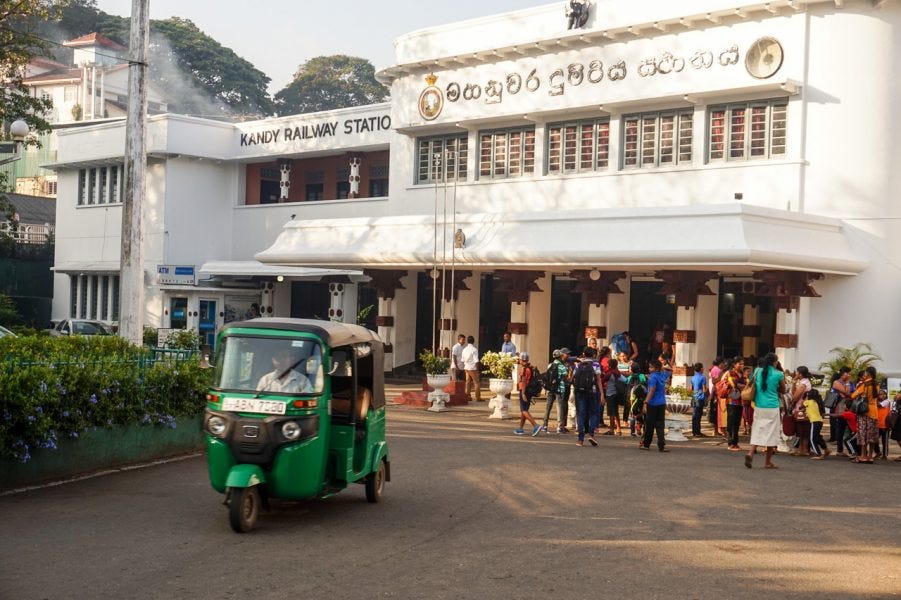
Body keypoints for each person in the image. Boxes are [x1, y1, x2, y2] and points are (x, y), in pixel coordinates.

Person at [745, 352, 784, 469]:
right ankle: (767, 462)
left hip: (759, 405)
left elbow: (749, 383)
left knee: (757, 429)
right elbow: (783, 389)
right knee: (772, 433)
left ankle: (750, 453)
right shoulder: (779, 374)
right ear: (774, 362)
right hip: (772, 406)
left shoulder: (757, 371)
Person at [572, 347, 600, 447]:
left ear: (583, 354)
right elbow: (598, 380)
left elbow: (573, 378)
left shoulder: (579, 365)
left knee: (581, 414)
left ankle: (580, 439)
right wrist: (601, 394)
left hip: (580, 392)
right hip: (592, 392)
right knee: (593, 413)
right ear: (593, 355)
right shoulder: (596, 364)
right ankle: (591, 435)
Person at [640, 361, 670, 452]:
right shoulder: (662, 375)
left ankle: (646, 444)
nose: (650, 369)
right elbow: (670, 370)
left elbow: (652, 390)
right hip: (661, 403)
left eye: (651, 367)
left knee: (650, 425)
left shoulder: (653, 377)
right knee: (660, 425)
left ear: (656, 368)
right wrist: (663, 368)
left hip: (652, 403)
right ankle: (661, 445)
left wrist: (646, 402)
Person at [851, 366, 879, 464]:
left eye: (866, 373)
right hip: (874, 412)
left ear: (869, 374)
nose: (864, 374)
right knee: (871, 435)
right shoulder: (877, 384)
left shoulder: (865, 384)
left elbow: (853, 395)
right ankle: (870, 456)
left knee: (863, 434)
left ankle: (863, 456)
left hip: (865, 412)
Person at [543, 348, 570, 433]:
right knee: (559, 407)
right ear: (560, 357)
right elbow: (566, 378)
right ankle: (559, 427)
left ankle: (545, 425)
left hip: (551, 389)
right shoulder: (562, 367)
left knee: (548, 407)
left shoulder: (549, 365)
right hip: (559, 389)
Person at [513, 353, 541, 436]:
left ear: (522, 360)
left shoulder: (524, 369)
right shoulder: (531, 367)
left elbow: (524, 381)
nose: (518, 361)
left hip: (524, 390)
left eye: (519, 359)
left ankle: (535, 425)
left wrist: (523, 393)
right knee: (524, 410)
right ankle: (520, 428)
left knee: (524, 410)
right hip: (529, 390)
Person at [724, 357, 747, 451]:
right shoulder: (730, 373)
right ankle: (730, 443)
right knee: (731, 422)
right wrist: (744, 386)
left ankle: (735, 443)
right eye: (740, 364)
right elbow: (733, 384)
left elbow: (745, 384)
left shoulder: (742, 374)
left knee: (737, 423)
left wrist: (743, 386)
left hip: (740, 401)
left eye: (743, 364)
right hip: (731, 401)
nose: (742, 365)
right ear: (734, 364)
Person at [830, 367, 853, 455]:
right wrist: (847, 383)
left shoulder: (850, 383)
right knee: (840, 428)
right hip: (840, 407)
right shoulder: (836, 382)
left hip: (848, 407)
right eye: (847, 373)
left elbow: (853, 393)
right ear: (843, 374)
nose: (849, 375)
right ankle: (840, 450)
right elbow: (847, 393)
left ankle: (852, 449)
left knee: (850, 428)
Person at [805, 389, 830, 459]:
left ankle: (818, 454)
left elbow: (802, 406)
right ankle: (826, 449)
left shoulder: (808, 402)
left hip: (814, 421)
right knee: (817, 436)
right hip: (819, 421)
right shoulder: (819, 402)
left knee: (812, 438)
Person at [690, 362, 708, 437]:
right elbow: (704, 390)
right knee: (699, 415)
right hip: (700, 397)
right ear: (701, 369)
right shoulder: (703, 377)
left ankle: (694, 431)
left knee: (694, 414)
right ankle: (698, 432)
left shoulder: (693, 377)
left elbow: (691, 388)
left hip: (694, 396)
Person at [462, 335, 481, 402]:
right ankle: (477, 397)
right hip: (472, 367)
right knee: (476, 382)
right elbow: (476, 360)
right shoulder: (474, 349)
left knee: (468, 382)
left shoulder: (464, 349)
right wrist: (477, 369)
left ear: (467, 341)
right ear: (473, 341)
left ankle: (468, 396)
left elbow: (463, 360)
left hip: (466, 367)